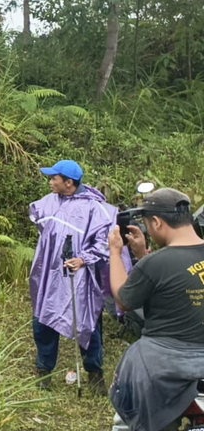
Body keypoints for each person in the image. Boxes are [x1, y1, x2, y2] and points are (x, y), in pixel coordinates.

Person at [109, 188, 204, 431]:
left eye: (148, 225)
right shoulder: (155, 262)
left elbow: (123, 299)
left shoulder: (156, 263)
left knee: (128, 421)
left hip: (165, 365)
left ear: (157, 222)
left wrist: (115, 252)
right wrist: (143, 254)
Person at [28, 159, 116, 393]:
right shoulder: (48, 202)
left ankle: (95, 374)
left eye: (54, 178)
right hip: (49, 273)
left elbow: (104, 242)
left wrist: (83, 259)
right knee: (43, 319)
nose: (50, 181)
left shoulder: (94, 208)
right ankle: (43, 371)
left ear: (68, 183)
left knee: (88, 322)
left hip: (80, 276)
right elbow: (43, 227)